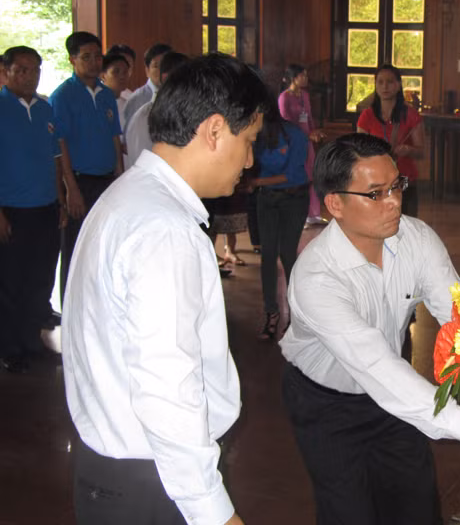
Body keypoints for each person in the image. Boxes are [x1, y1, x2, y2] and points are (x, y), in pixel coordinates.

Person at [280, 133, 460, 525]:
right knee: (347, 513)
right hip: (326, 403)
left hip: (396, 392)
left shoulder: (416, 239)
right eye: (375, 194)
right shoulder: (317, 278)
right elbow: (376, 367)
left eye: (396, 185)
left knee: (417, 506)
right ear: (334, 204)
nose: (393, 201)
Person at [62, 53, 269, 525]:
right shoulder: (164, 229)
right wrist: (213, 511)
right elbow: (165, 385)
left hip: (117, 466)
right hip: (152, 482)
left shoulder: (129, 195)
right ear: (215, 130)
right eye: (249, 141)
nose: (251, 160)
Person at [0, 46, 66, 373]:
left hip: (46, 207)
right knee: (11, 283)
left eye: (35, 69)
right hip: (11, 210)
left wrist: (61, 201)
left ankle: (31, 342)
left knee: (40, 281)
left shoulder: (45, 108)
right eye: (22, 70)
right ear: (6, 72)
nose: (30, 76)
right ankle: (10, 349)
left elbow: (55, 160)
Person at [49, 31, 123, 300]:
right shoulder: (63, 96)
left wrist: (119, 174)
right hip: (80, 181)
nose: (94, 62)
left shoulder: (105, 94)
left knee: (103, 246)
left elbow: (115, 136)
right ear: (72, 59)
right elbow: (61, 145)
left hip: (107, 180)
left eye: (97, 56)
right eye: (86, 57)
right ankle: (71, 305)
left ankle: (99, 302)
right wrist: (71, 188)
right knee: (75, 248)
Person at [248, 115, 309, 341]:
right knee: (268, 254)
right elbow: (250, 166)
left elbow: (292, 175)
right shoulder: (255, 135)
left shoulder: (294, 134)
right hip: (267, 200)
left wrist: (256, 183)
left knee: (287, 253)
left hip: (294, 197)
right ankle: (271, 313)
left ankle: (297, 317)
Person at [356, 64, 425, 217]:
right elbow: (359, 151)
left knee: (406, 226)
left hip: (404, 179)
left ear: (398, 85)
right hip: (375, 180)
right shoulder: (367, 116)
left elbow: (421, 153)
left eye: (390, 82)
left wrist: (408, 150)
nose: (384, 86)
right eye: (380, 82)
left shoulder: (411, 115)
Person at [278, 64, 325, 227]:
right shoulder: (284, 97)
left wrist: (315, 132)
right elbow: (286, 124)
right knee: (298, 177)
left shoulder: (304, 95)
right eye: (302, 76)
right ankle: (298, 214)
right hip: (293, 143)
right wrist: (306, 135)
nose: (306, 79)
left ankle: (313, 214)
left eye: (306, 75)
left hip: (307, 142)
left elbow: (309, 118)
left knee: (311, 175)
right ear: (293, 78)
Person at [124, 51, 189, 170]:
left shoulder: (175, 112)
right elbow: (144, 165)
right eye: (185, 79)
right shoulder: (146, 116)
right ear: (166, 78)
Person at [122, 42, 172, 132]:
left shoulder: (176, 94)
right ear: (147, 70)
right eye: (156, 66)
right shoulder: (137, 100)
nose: (161, 70)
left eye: (166, 65)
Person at [100, 52, 131, 125]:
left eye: (125, 72)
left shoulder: (128, 105)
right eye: (116, 72)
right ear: (103, 76)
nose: (122, 76)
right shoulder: (97, 104)